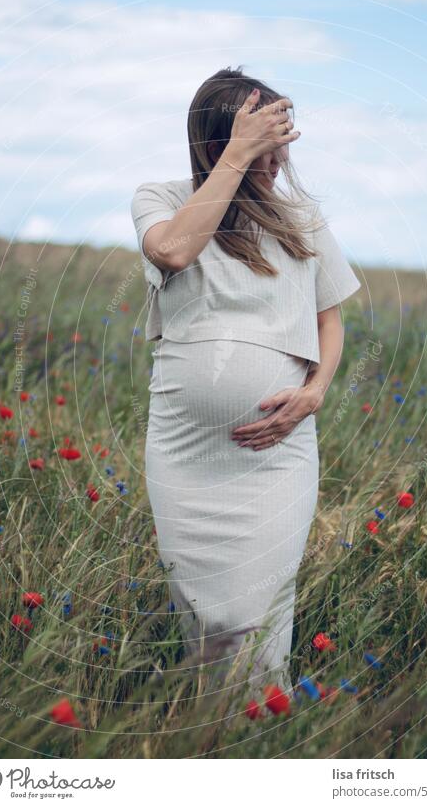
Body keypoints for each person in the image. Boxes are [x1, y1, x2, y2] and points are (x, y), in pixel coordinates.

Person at [130, 66, 360, 696]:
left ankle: (259, 730)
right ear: (218, 139)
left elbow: (329, 319)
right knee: (204, 618)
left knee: (252, 610)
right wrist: (237, 156)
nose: (279, 155)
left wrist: (314, 393)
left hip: (275, 455)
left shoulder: (299, 218)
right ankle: (211, 737)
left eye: (281, 137)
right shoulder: (163, 199)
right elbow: (173, 252)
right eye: (265, 136)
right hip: (184, 452)